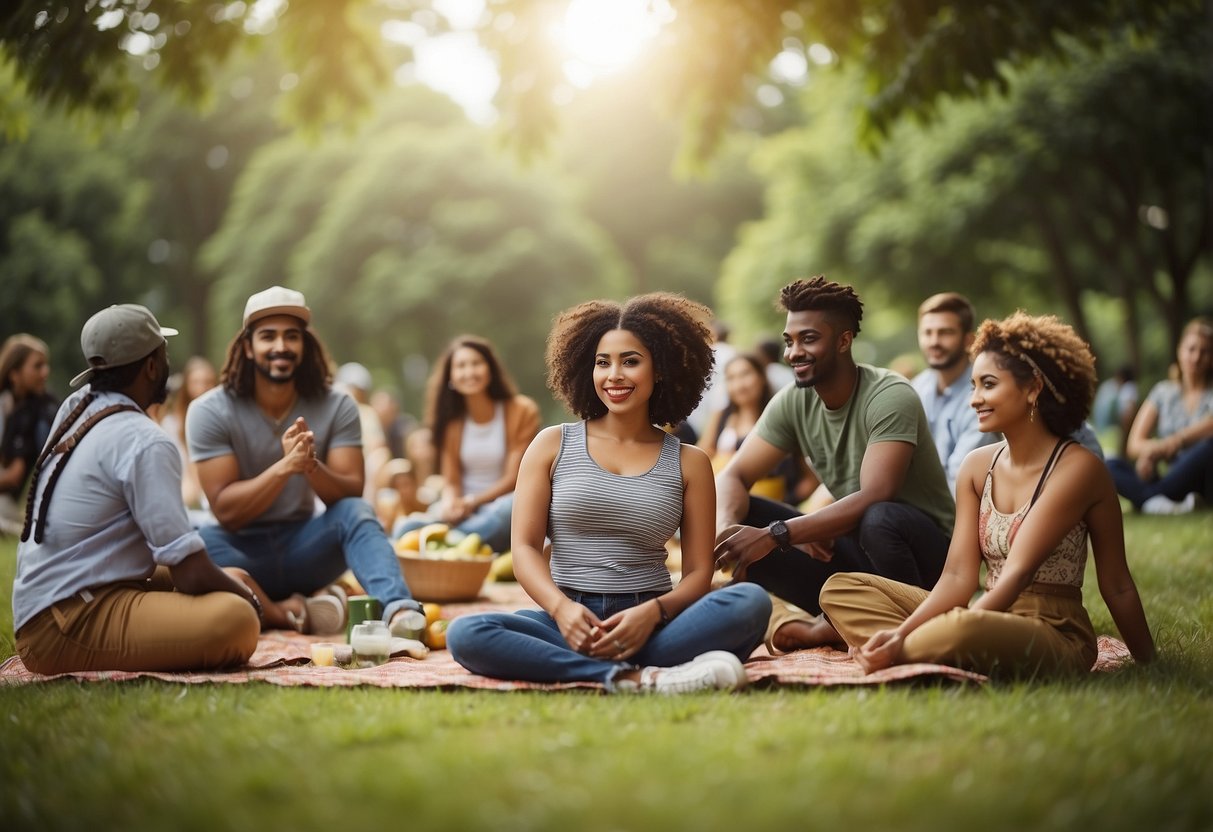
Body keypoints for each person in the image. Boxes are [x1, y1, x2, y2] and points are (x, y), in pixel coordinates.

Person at [447, 293, 771, 693]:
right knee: (467, 632)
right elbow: (525, 550)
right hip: (566, 623)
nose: (614, 375)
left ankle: (604, 665)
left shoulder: (691, 462)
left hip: (654, 623)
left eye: (630, 361)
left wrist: (651, 614)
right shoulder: (551, 445)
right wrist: (562, 610)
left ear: (661, 369)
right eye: (603, 362)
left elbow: (699, 573)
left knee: (749, 603)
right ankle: (636, 676)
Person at [820, 311, 1155, 678]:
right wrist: (901, 632)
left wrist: (1150, 663)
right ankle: (919, 648)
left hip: (1052, 630)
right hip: (984, 613)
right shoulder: (977, 466)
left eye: (989, 385)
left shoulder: (1077, 468)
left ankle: (906, 652)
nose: (975, 399)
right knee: (840, 589)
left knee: (963, 628)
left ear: (1033, 388)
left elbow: (1027, 574)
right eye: (974, 386)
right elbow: (958, 577)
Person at [12, 304, 260, 674]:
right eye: (164, 354)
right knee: (237, 618)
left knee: (233, 578)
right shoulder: (144, 440)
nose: (167, 364)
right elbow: (189, 572)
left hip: (63, 598)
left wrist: (238, 586)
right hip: (65, 624)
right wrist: (250, 601)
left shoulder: (75, 407)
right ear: (150, 366)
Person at [714, 276, 954, 653]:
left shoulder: (890, 395)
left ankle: (874, 625)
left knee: (880, 517)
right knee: (747, 528)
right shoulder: (793, 401)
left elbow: (878, 493)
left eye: (809, 339)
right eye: (789, 341)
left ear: (844, 341)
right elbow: (734, 475)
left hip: (925, 562)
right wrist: (729, 533)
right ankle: (844, 622)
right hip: (854, 552)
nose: (794, 352)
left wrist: (783, 533)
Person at [186, 286, 424, 635]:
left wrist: (310, 465)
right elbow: (225, 510)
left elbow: (348, 493)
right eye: (268, 337)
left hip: (306, 549)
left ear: (305, 345)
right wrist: (285, 467)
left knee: (357, 512)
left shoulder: (338, 404)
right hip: (238, 552)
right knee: (191, 542)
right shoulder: (208, 410)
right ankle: (291, 609)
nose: (280, 346)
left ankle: (400, 612)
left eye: (291, 337)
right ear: (248, 347)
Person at [395, 336, 540, 554]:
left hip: (500, 508)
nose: (469, 372)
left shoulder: (522, 411)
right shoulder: (452, 423)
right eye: (461, 366)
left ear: (490, 369)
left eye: (476, 363)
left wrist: (473, 502)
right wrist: (451, 504)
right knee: (405, 528)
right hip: (465, 512)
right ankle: (458, 542)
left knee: (512, 507)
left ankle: (450, 541)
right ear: (451, 377)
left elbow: (514, 478)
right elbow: (451, 481)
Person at [1106, 317, 1213, 514]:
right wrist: (1151, 453)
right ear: (1180, 351)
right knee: (1107, 464)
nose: (1196, 357)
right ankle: (1161, 502)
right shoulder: (1163, 392)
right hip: (1170, 476)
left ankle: (1149, 500)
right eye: (1192, 349)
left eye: (1204, 351)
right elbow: (1134, 444)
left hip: (1202, 476)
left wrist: (1175, 442)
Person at [910, 293, 999, 494]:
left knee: (881, 515)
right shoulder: (916, 388)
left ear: (968, 340)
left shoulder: (983, 395)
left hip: (959, 507)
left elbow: (959, 481)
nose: (934, 341)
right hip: (922, 501)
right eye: (927, 333)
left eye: (945, 332)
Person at [697, 352, 806, 504]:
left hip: (764, 512)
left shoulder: (782, 418)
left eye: (745, 374)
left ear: (761, 377)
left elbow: (809, 479)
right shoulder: (721, 416)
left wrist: (784, 508)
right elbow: (704, 453)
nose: (739, 385)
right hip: (719, 503)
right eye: (731, 378)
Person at [0, 335, 59, 535]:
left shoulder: (42, 411)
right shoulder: (8, 406)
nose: (45, 372)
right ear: (14, 374)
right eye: (37, 366)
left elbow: (14, 476)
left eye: (46, 365)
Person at [158, 356, 218, 515]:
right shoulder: (171, 424)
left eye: (208, 382)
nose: (203, 388)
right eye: (196, 382)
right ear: (186, 386)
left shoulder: (223, 422)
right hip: (183, 495)